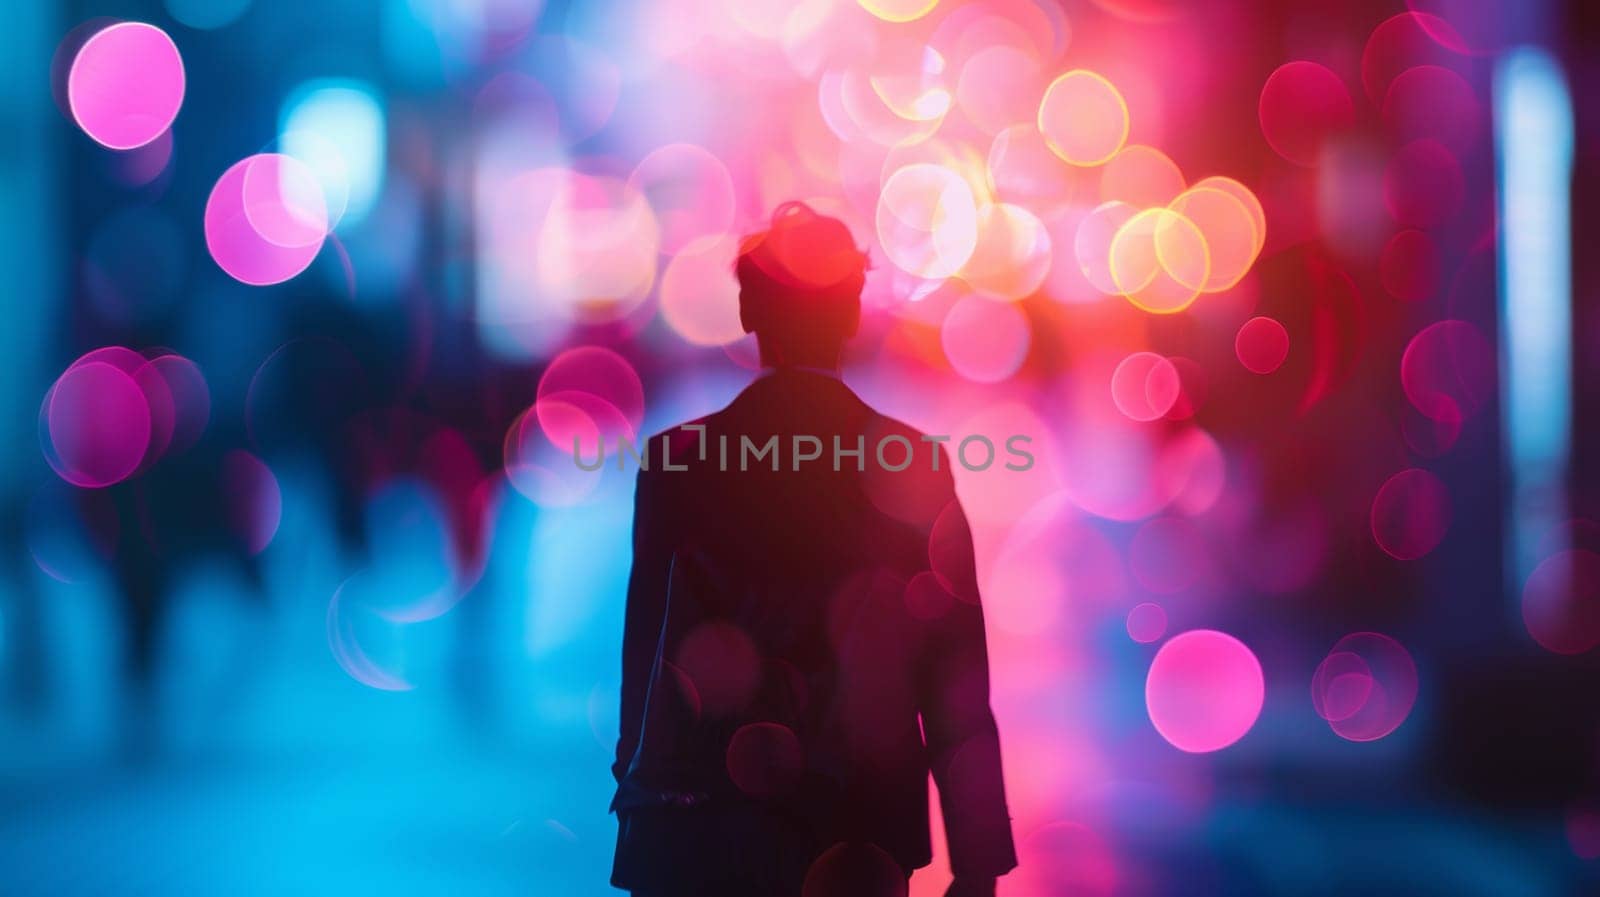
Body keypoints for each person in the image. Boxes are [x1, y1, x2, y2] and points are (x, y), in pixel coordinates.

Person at [611, 203, 1016, 897]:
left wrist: (640, 791)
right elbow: (956, 673)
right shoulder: (910, 462)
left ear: (747, 310)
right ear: (852, 314)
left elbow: (645, 652)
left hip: (702, 819)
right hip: (860, 822)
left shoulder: (678, 461)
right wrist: (976, 857)